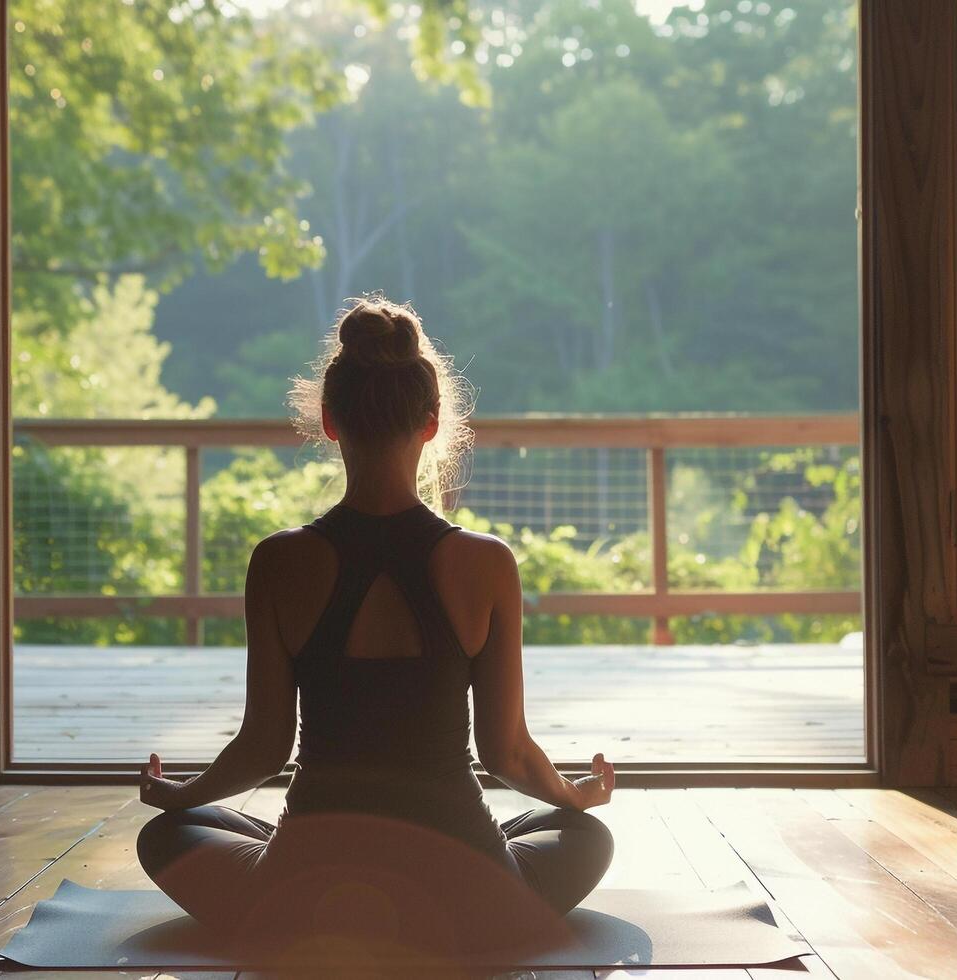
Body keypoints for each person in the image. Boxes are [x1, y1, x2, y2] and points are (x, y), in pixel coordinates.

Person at [135, 295, 615, 955]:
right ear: (432, 420)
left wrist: (178, 794)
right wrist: (576, 793)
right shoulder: (486, 563)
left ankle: (342, 908)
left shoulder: (279, 562)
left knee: (167, 833)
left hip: (306, 889)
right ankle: (429, 903)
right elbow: (506, 756)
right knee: (583, 833)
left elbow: (262, 750)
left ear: (329, 422)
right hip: (467, 895)